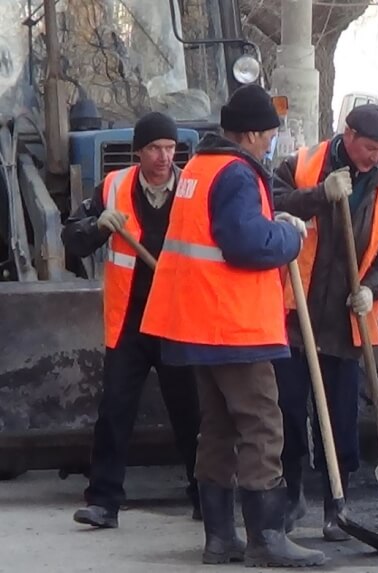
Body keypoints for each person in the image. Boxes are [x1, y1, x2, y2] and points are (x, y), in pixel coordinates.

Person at [140, 85, 327, 567]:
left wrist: (272, 219)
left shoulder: (200, 168)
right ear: (248, 134)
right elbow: (243, 243)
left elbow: (217, 231)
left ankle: (220, 538)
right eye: (267, 136)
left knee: (218, 428)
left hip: (196, 322)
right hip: (232, 324)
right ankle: (267, 537)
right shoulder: (238, 174)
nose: (269, 145)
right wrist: (288, 234)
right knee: (263, 424)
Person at [271, 104, 378, 541]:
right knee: (289, 411)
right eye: (370, 147)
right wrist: (318, 195)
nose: (375, 157)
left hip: (347, 322)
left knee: (341, 417)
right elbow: (270, 204)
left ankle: (337, 503)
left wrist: (374, 288)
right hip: (296, 315)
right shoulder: (303, 165)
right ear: (347, 135)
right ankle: (292, 494)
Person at [61, 112, 201, 529]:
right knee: (115, 410)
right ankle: (104, 502)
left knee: (191, 412)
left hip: (177, 317)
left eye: (170, 148)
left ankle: (205, 495)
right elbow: (72, 236)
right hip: (130, 321)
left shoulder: (192, 188)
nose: (164, 156)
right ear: (138, 151)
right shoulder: (114, 186)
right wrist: (98, 226)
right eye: (155, 148)